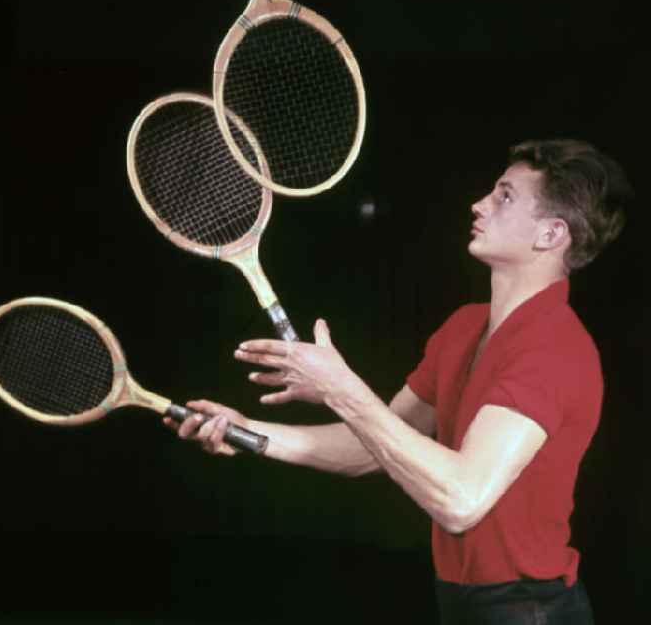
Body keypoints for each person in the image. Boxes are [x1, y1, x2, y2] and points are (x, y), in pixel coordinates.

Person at [166, 139, 633, 624]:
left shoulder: (552, 348)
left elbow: (461, 499)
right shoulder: (465, 326)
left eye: (505, 196)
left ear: (550, 234)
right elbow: (373, 447)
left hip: (531, 611)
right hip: (457, 601)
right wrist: (251, 433)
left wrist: (341, 390)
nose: (479, 204)